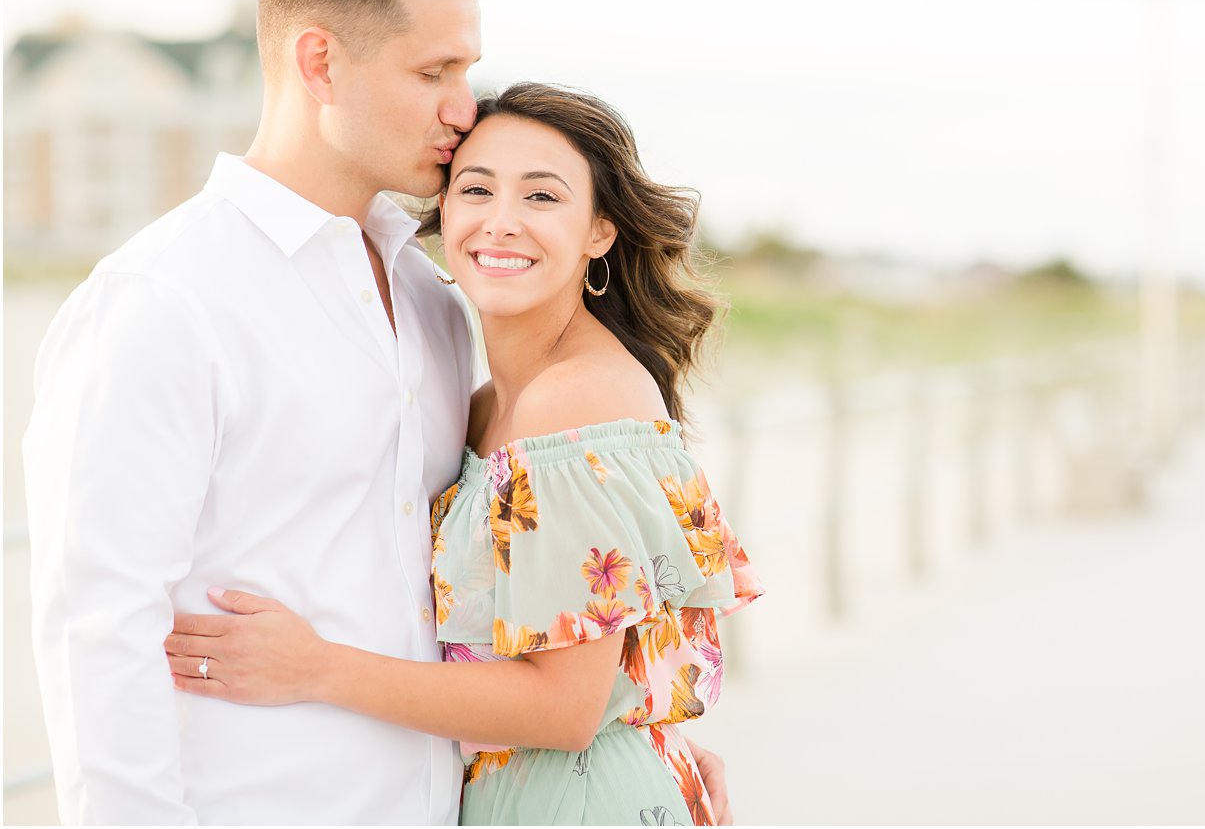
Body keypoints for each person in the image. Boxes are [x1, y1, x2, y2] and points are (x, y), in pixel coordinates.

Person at [22, 0, 731, 825]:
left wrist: (628, 739)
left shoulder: (434, 302)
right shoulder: (163, 300)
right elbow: (98, 632)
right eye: (434, 71)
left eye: (466, 70)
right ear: (321, 62)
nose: (462, 108)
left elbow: (517, 596)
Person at [163, 83, 763, 827]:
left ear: (599, 231)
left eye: (542, 197)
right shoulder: (487, 400)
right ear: (445, 213)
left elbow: (565, 705)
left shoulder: (570, 402)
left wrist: (314, 666)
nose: (501, 222)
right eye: (476, 189)